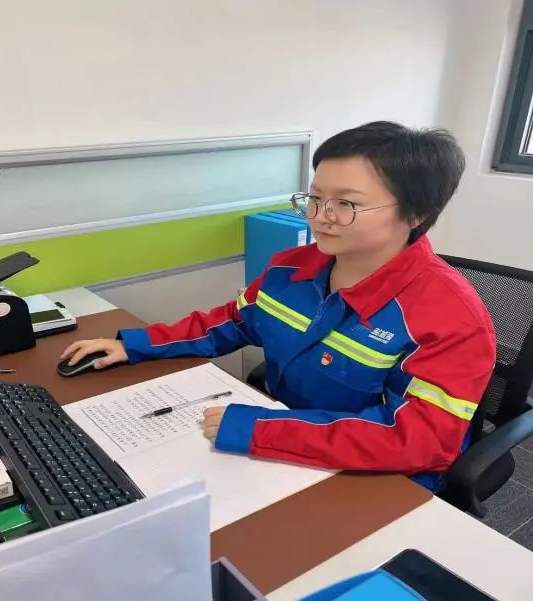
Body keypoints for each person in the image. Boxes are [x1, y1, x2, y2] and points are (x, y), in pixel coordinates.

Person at [61, 121, 496, 491]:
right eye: (315, 198)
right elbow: (233, 322)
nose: (320, 216)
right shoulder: (292, 267)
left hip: (382, 479)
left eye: (346, 204)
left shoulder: (451, 318)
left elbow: (417, 440)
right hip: (287, 443)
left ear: (417, 214)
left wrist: (261, 431)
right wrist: (138, 345)